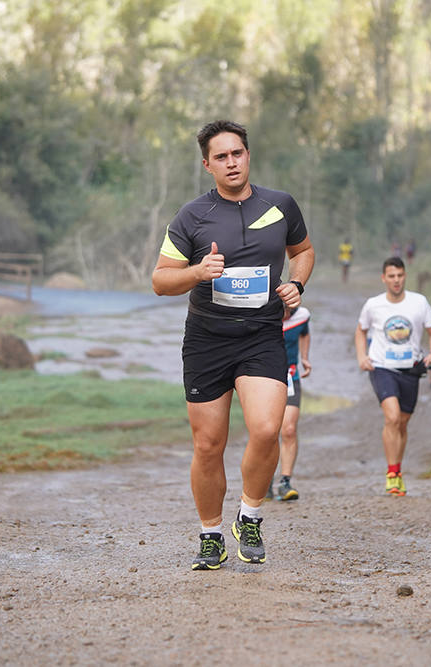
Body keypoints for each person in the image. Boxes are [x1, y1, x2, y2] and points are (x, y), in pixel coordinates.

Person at [151, 120, 315, 570]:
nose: (231, 162)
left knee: (266, 428)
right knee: (208, 444)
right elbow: (161, 281)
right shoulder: (191, 216)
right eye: (221, 157)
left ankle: (250, 515)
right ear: (207, 165)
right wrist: (198, 272)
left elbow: (303, 251)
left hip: (262, 334)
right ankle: (210, 535)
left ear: (248, 155)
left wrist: (296, 283)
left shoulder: (280, 206)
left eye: (237, 153)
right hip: (207, 338)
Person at [354, 256, 431, 497]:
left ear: (405, 276)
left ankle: (397, 470)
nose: (396, 280)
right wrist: (362, 357)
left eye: (400, 275)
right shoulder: (373, 305)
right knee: (391, 418)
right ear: (384, 278)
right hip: (382, 367)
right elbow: (360, 332)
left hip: (411, 369)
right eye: (391, 276)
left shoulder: (419, 302)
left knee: (402, 423)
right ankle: (392, 474)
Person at [271, 303, 311, 501]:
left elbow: (304, 333)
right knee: (267, 431)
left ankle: (285, 482)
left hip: (290, 378)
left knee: (288, 429)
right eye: (282, 311)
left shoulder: (302, 315)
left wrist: (304, 357)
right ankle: (264, 480)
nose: (286, 315)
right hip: (264, 379)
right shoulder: (265, 314)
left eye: (289, 311)